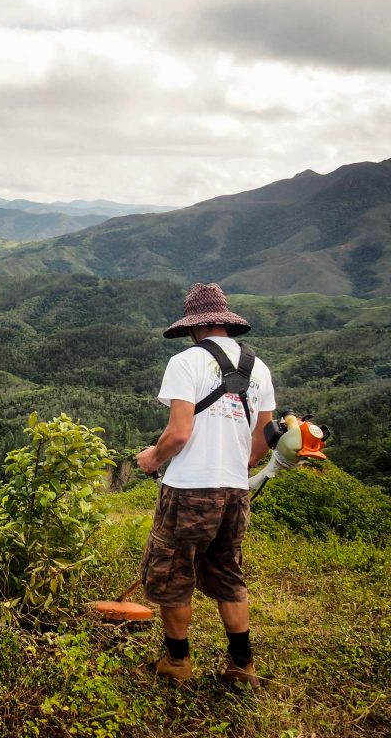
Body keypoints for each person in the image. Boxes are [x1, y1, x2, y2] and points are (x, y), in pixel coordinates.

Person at [136, 283, 275, 689]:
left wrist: (152, 458)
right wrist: (237, 464)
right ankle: (241, 666)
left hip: (189, 490)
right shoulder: (259, 368)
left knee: (174, 573)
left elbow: (179, 433)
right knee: (227, 572)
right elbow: (265, 436)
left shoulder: (186, 363)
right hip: (234, 490)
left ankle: (178, 662)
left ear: (195, 327)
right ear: (225, 321)